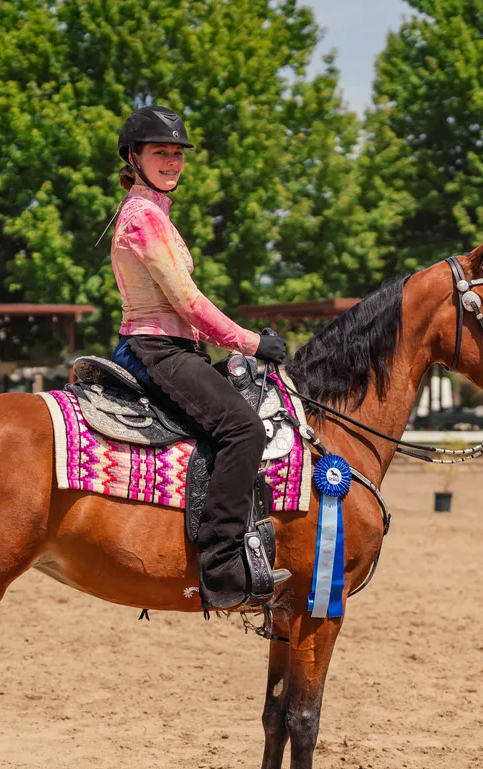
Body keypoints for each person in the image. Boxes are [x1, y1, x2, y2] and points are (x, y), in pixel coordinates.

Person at [107, 105, 289, 610]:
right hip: (157, 348)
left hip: (174, 346)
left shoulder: (156, 212)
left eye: (177, 154)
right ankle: (222, 560)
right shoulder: (142, 216)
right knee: (244, 430)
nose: (171, 161)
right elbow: (187, 301)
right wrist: (252, 343)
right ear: (134, 157)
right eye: (160, 152)